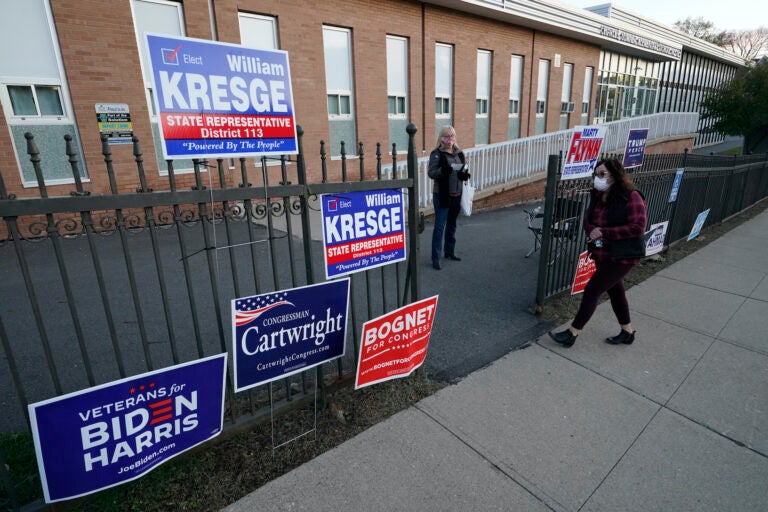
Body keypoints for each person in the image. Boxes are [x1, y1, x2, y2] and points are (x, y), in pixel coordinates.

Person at [548, 158, 647, 347]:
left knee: (593, 289)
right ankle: (627, 332)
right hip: (602, 252)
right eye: (596, 174)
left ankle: (572, 333)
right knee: (616, 292)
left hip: (623, 255)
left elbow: (638, 227)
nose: (597, 178)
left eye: (602, 174)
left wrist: (605, 232)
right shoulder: (598, 195)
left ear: (615, 176)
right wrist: (591, 229)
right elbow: (588, 218)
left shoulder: (631, 196)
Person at [427, 126, 470, 270]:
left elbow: (463, 170)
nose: (449, 140)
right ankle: (436, 258)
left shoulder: (459, 153)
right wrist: (443, 171)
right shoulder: (436, 154)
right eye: (446, 137)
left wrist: (464, 175)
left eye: (451, 136)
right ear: (441, 138)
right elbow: (432, 173)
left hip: (457, 195)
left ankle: (449, 252)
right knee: (440, 227)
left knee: (452, 225)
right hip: (442, 195)